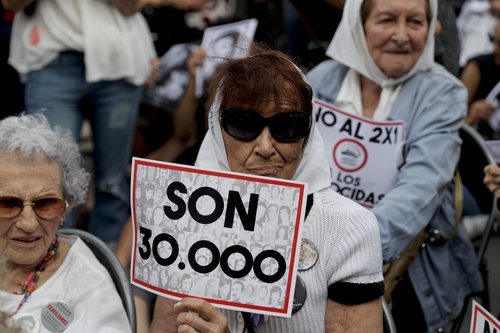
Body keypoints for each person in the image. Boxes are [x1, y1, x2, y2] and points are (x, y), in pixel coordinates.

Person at [150, 46, 384, 333]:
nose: (265, 147)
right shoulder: (183, 218)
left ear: (308, 133)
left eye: (287, 127)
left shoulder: (348, 228)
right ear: (215, 130)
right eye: (243, 124)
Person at [308, 0, 484, 331]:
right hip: (314, 251)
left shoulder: (443, 92)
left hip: (412, 267)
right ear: (358, 25)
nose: (401, 36)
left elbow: (422, 187)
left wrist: (347, 251)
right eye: (387, 20)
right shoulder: (320, 81)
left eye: (415, 22)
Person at [2, 0, 156, 244]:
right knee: (47, 176)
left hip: (119, 61)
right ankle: (55, 261)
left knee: (112, 180)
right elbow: (11, 4)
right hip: (50, 61)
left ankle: (107, 267)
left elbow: (132, 5)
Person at [0, 113, 131, 332]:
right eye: (8, 204)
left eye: (46, 204)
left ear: (67, 206)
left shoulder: (90, 290)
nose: (28, 223)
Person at [460, 19, 500, 138]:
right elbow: (451, 124)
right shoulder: (478, 66)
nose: (495, 49)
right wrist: (471, 118)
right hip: (478, 145)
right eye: (492, 39)